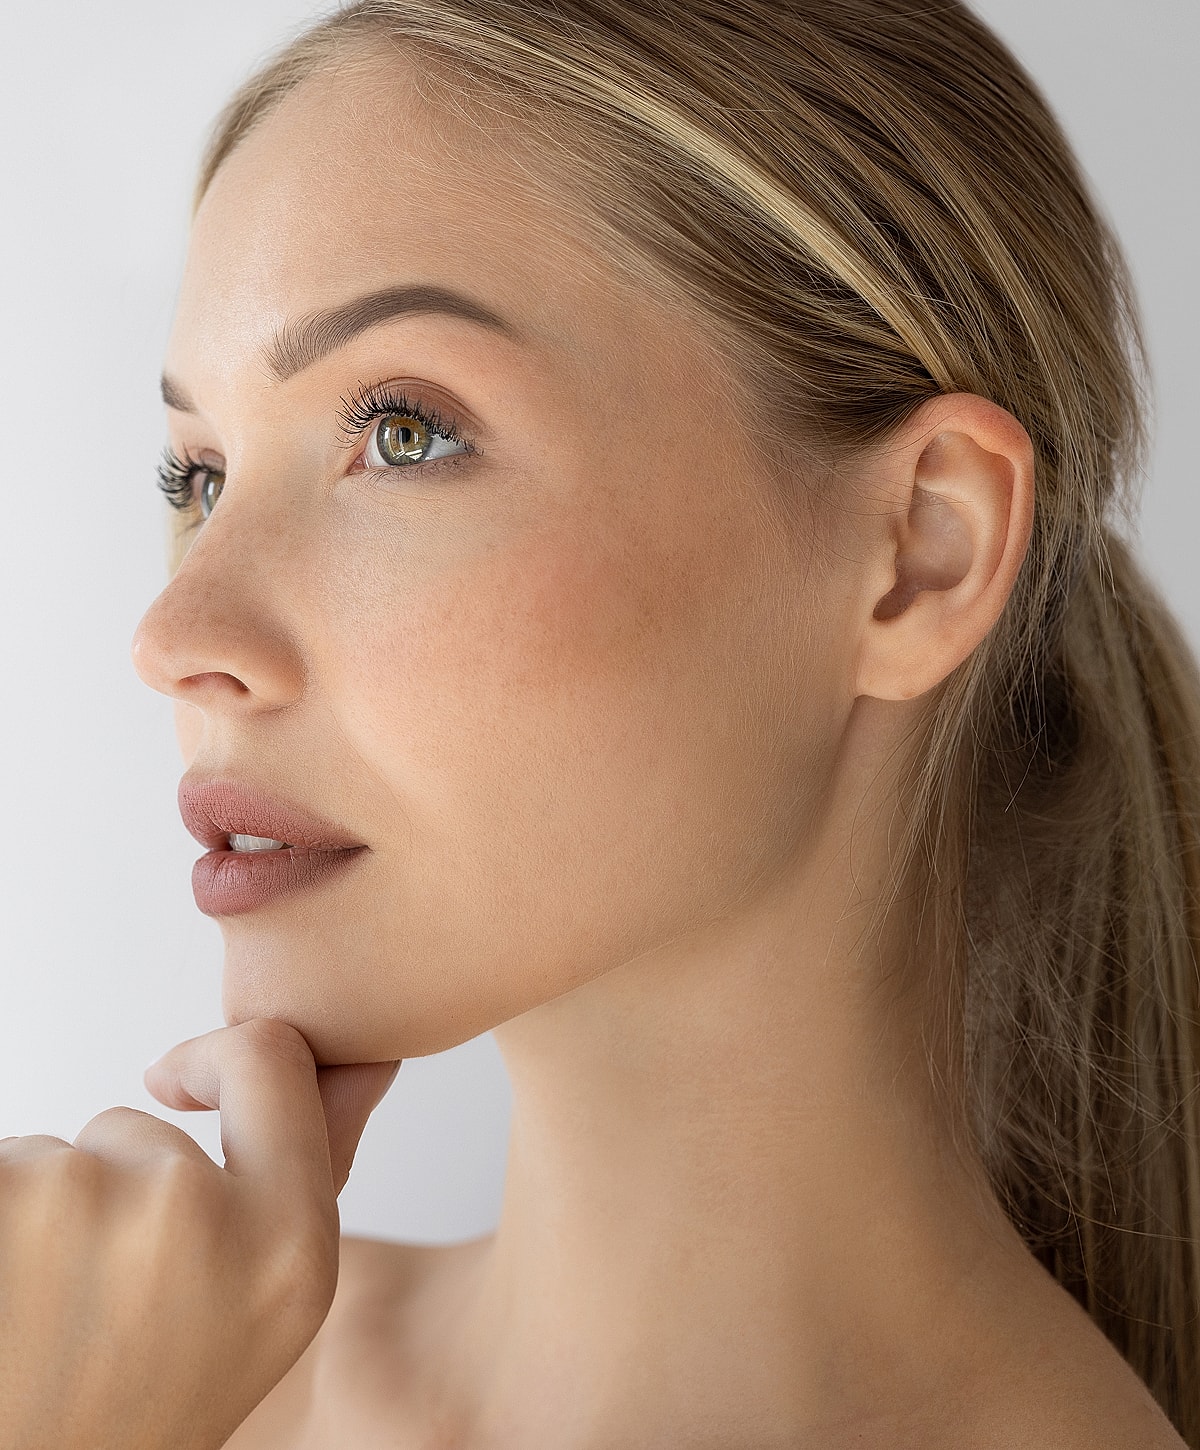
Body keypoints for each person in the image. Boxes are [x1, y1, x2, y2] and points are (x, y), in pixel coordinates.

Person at [1, 0, 1195, 1445]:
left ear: (918, 553)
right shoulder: (179, 1379)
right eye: (195, 477)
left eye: (405, 431)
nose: (176, 638)